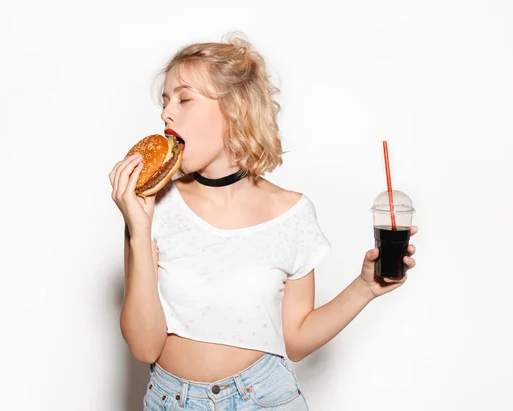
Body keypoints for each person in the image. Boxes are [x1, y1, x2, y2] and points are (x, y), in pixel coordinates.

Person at [109, 32, 418, 411]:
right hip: (171, 400)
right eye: (165, 100)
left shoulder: (292, 213)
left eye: (185, 99)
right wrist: (138, 232)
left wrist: (365, 287)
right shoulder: (151, 207)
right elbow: (144, 347)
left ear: (235, 108)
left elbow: (296, 340)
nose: (166, 113)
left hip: (265, 398)